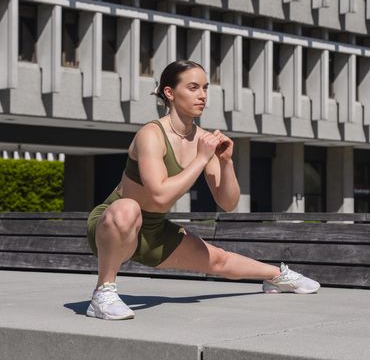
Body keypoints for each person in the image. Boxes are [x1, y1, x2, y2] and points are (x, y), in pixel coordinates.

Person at [86, 60, 320, 320]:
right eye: (193, 87)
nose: (202, 95)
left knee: (218, 260)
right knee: (128, 208)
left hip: (154, 230)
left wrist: (225, 161)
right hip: (113, 225)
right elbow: (159, 194)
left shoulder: (204, 141)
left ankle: (277, 276)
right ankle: (102, 293)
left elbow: (228, 203)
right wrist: (200, 158)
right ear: (170, 93)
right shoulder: (151, 135)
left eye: (205, 88)